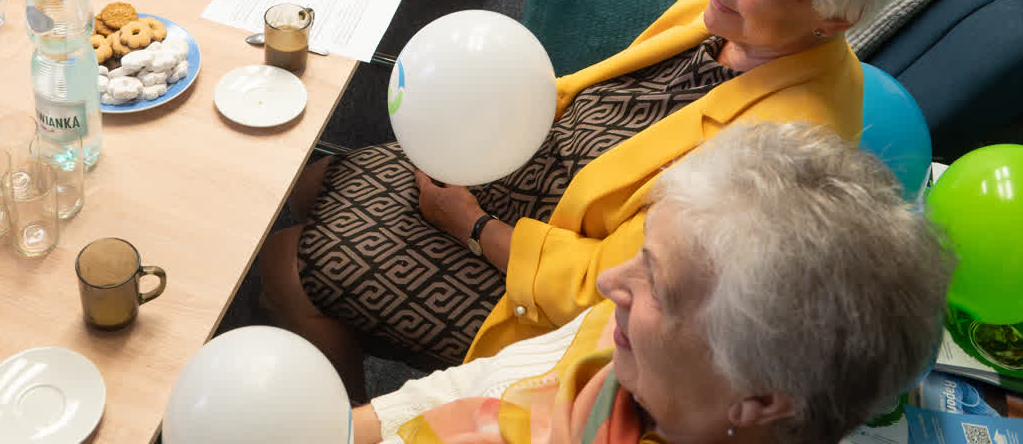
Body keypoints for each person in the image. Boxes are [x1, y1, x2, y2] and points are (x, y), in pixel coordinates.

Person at [260, 0, 923, 398]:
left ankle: (352, 419)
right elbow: (602, 89)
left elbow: (614, 289)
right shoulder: (730, 9)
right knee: (317, 181)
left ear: (835, 17)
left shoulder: (782, 151)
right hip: (544, 169)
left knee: (287, 263)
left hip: (548, 291)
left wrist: (470, 225)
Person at [350, 121, 954, 444]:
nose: (610, 281)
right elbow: (479, 383)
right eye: (642, 253)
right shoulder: (633, 349)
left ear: (760, 402)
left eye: (659, 289)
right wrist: (355, 427)